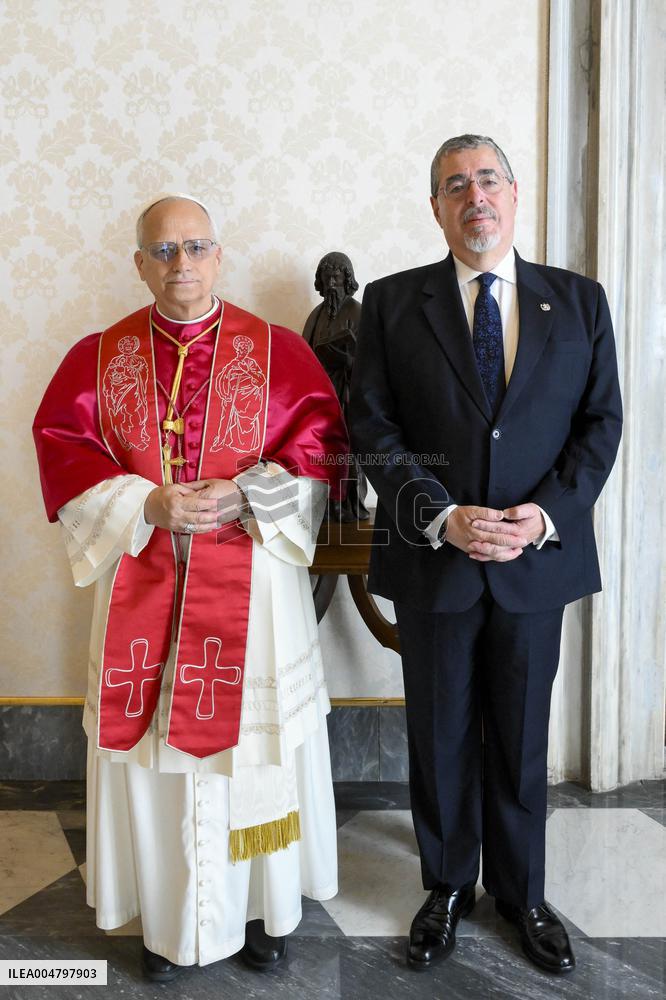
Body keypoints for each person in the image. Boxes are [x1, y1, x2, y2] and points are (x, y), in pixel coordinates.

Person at [33, 194, 348, 982]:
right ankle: (163, 920)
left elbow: (323, 454)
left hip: (256, 587)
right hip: (148, 579)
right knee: (154, 754)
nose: (183, 264)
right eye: (164, 251)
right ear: (139, 264)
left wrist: (250, 494)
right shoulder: (98, 358)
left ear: (220, 255)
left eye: (196, 247)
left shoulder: (277, 352)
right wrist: (146, 500)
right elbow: (67, 456)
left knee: (257, 749)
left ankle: (265, 911)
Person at [349, 135, 622, 976]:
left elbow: (599, 426)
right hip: (436, 560)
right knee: (439, 733)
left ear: (516, 192)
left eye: (488, 180)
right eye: (454, 184)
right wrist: (440, 516)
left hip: (535, 561)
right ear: (435, 206)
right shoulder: (391, 304)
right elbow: (373, 429)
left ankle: (523, 895)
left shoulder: (578, 302)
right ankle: (446, 888)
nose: (475, 196)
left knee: (521, 736)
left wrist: (540, 517)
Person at [303, 251, 369, 521]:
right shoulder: (316, 316)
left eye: (337, 277)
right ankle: (327, 507)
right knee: (321, 453)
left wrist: (347, 359)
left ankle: (350, 506)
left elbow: (372, 360)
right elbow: (303, 354)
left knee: (349, 454)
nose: (332, 283)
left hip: (348, 396)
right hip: (321, 397)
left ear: (347, 279)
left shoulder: (358, 311)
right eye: (327, 277)